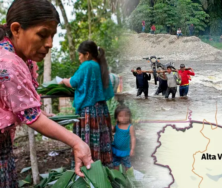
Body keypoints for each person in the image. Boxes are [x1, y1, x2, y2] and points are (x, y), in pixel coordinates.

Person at [0, 0, 92, 186]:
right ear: (16, 29)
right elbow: (30, 115)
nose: (50, 44)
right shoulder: (7, 63)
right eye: (43, 35)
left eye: (52, 36)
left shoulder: (24, 60)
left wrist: (41, 113)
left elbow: (25, 107)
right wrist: (76, 142)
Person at [60, 40, 115, 168]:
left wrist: (63, 80)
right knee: (101, 141)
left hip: (88, 111)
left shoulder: (87, 65)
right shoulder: (100, 65)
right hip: (101, 110)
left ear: (87, 54)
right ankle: (102, 168)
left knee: (87, 142)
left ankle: (88, 169)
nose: (79, 58)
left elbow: (73, 82)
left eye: (80, 55)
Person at [112, 105, 136, 171]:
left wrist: (132, 149)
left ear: (129, 116)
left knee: (127, 164)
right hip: (116, 149)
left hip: (125, 151)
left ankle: (128, 176)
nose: (124, 118)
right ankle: (117, 175)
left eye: (126, 115)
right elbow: (112, 130)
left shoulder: (130, 127)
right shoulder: (117, 125)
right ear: (117, 117)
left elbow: (133, 138)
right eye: (121, 116)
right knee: (115, 163)